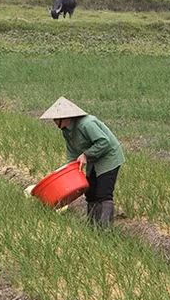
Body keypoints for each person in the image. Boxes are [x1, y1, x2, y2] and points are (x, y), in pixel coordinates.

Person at [39, 97, 125, 228]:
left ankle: (105, 228)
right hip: (94, 159)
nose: (54, 122)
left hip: (108, 157)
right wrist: (68, 169)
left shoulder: (86, 124)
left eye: (56, 119)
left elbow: (104, 142)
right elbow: (72, 152)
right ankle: (92, 226)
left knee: (103, 193)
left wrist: (86, 154)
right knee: (90, 192)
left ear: (66, 117)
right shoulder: (66, 131)